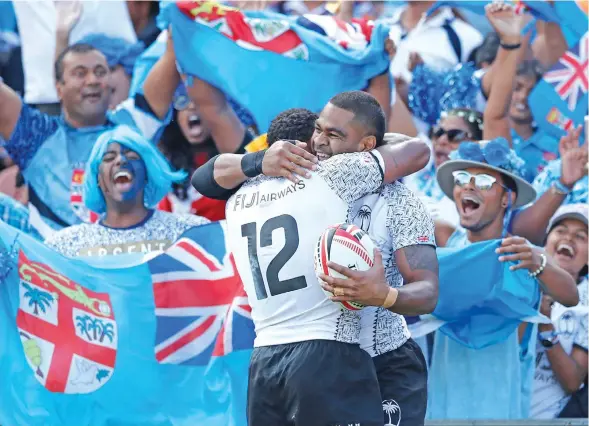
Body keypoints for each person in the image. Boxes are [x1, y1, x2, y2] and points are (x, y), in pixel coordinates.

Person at [193, 91, 430, 425]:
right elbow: (419, 150)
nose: (320, 144)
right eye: (317, 133)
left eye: (331, 134)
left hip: (274, 359)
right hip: (328, 353)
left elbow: (204, 177)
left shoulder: (238, 195)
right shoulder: (328, 178)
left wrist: (256, 162)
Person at [428, 138, 579, 419]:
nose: (469, 186)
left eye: (484, 181)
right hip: (442, 412)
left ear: (506, 198)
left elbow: (571, 295)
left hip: (502, 414)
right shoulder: (444, 241)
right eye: (463, 178)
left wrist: (538, 261)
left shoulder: (522, 256)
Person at [0, 32, 179, 239]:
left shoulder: (132, 124)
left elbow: (171, 56)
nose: (93, 80)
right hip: (54, 267)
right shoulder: (34, 135)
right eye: (80, 73)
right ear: (59, 88)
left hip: (129, 263)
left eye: (101, 72)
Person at [45, 125, 209, 258]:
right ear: (97, 180)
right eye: (109, 158)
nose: (121, 160)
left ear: (147, 174)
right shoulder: (65, 247)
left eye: (132, 156)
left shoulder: (190, 232)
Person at [531, 204, 588, 419]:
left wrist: (545, 325)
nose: (569, 238)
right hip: (500, 410)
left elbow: (573, 381)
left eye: (581, 236)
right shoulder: (522, 279)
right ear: (545, 243)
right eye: (561, 230)